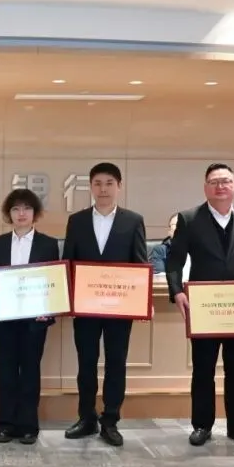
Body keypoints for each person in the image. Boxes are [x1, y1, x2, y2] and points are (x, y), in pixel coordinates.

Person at [166, 162, 234, 447]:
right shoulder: (189, 219)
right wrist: (177, 291)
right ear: (205, 187)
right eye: (214, 182)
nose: (220, 186)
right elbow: (175, 260)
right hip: (204, 307)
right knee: (203, 369)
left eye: (225, 181)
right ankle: (202, 425)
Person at [61, 162, 148, 447]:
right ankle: (86, 417)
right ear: (90, 186)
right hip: (85, 308)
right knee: (86, 363)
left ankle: (110, 420)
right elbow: (68, 263)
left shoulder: (133, 221)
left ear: (119, 186)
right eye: (97, 183)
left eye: (109, 183)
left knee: (116, 363)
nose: (103, 189)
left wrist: (143, 300)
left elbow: (139, 263)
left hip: (119, 309)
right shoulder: (77, 221)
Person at [0, 188, 59, 444]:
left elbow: (54, 282)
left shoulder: (48, 244)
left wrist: (48, 310)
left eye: (27, 208)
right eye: (16, 208)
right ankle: (6, 425)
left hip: (34, 321)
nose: (21, 213)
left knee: (30, 372)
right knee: (6, 372)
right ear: (9, 213)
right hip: (5, 319)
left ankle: (29, 426)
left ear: (35, 213)